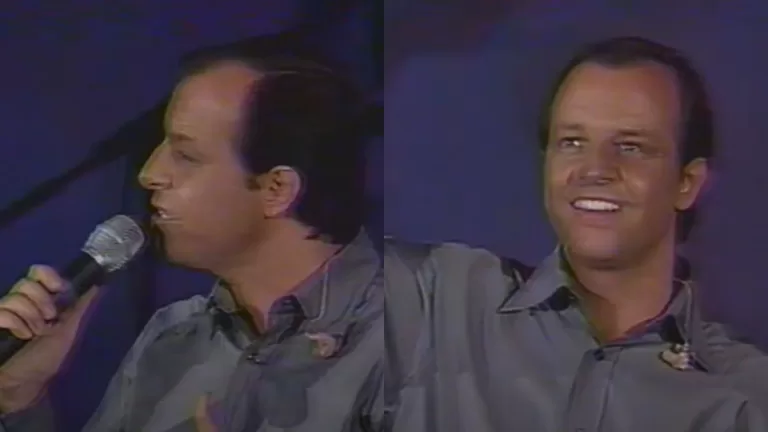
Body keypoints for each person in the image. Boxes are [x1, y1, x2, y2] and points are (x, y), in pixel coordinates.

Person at [0, 33, 383, 431]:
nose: (149, 174)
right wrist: (20, 396)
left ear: (276, 189)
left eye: (185, 155)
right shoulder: (172, 340)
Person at [384, 36, 768, 431]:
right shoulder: (434, 304)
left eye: (631, 147)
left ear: (687, 183)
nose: (594, 169)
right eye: (572, 142)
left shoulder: (747, 400)